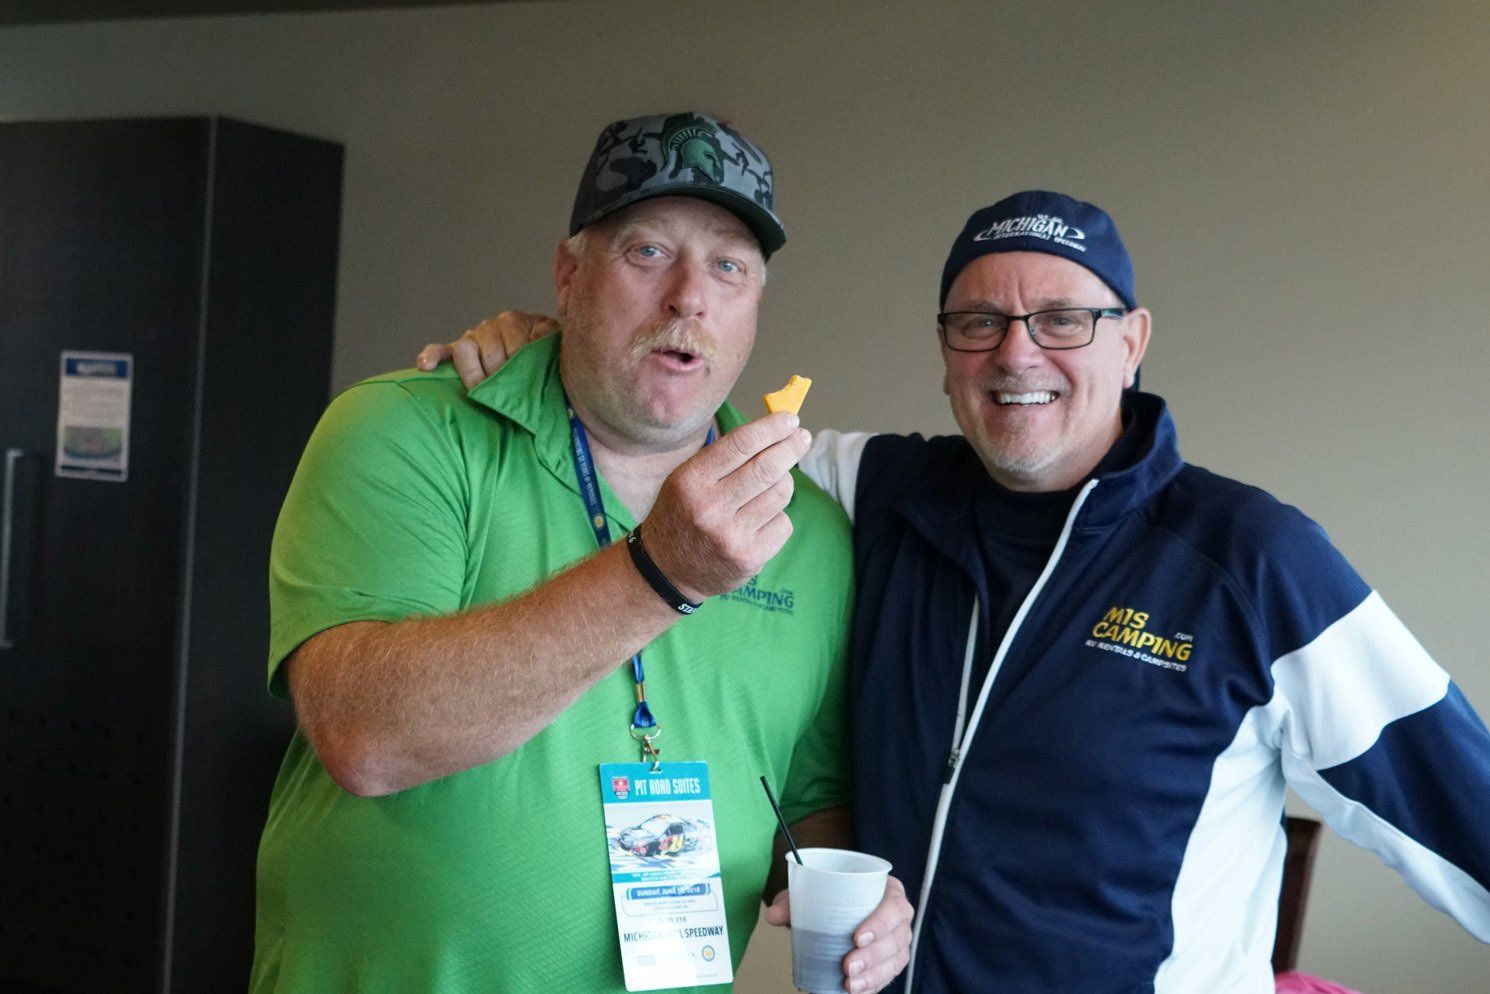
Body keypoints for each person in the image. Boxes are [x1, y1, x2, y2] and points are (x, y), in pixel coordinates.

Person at [421, 190, 1490, 993]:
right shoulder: (865, 493)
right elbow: (660, 437)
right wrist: (552, 347)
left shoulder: (1252, 561)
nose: (1014, 352)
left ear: (1132, 338)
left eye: (1062, 319)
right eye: (975, 322)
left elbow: (1462, 810)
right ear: (942, 351)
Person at [252, 111, 912, 994]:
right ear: (569, 276)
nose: (689, 296)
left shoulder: (805, 532)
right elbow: (364, 735)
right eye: (647, 252)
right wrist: (659, 574)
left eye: (729, 266)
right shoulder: (404, 431)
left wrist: (861, 898)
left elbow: (803, 800)